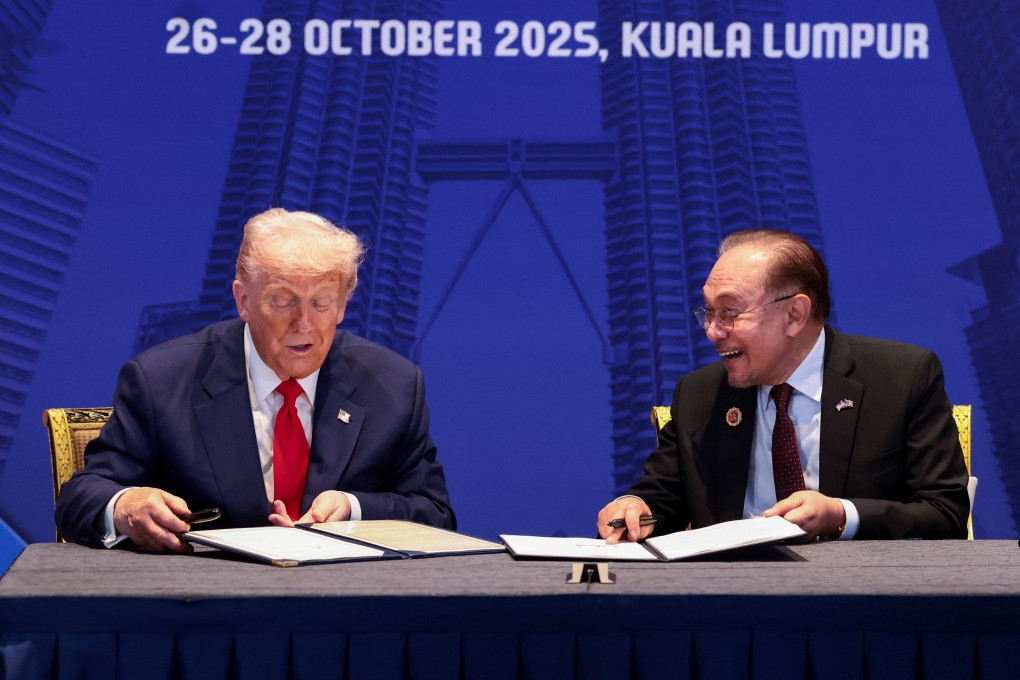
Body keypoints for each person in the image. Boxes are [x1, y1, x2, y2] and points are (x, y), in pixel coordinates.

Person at [56, 208, 455, 552]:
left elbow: (435, 515)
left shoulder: (393, 386)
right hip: (207, 612)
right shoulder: (160, 380)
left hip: (345, 614)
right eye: (282, 301)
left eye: (321, 303)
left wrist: (353, 510)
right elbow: (82, 496)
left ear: (342, 306)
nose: (304, 323)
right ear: (244, 300)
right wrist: (125, 506)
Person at [598, 229, 970, 543]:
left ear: (794, 314)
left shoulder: (901, 377)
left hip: (862, 605)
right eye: (708, 312)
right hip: (732, 604)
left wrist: (841, 515)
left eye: (729, 312)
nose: (712, 331)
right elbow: (661, 498)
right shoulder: (699, 395)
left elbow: (944, 514)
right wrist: (635, 508)